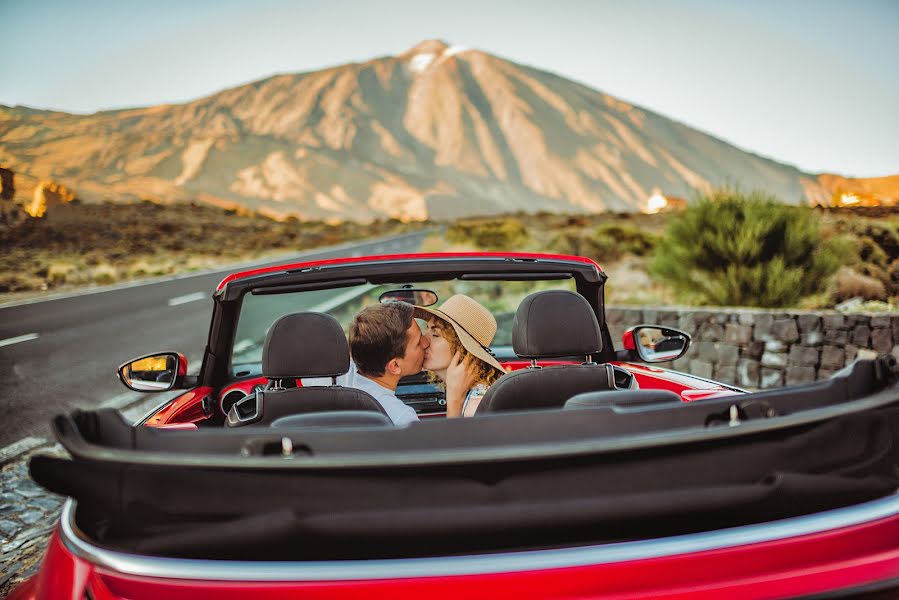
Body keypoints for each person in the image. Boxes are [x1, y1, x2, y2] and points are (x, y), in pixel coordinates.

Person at [415, 295, 506, 418]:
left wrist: (454, 402)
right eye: (427, 329)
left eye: (435, 335)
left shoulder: (476, 407)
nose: (423, 341)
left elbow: (455, 438)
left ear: (462, 348)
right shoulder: (476, 394)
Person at [347, 301, 429, 426]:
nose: (426, 343)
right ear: (395, 366)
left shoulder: (333, 379)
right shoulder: (401, 419)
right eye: (418, 342)